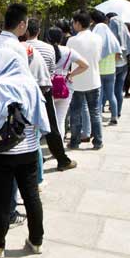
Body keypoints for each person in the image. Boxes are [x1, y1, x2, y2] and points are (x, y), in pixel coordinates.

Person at [0, 46, 49, 258]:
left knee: (2, 199)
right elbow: (41, 118)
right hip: (28, 150)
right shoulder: (30, 84)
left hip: (1, 152)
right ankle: (36, 241)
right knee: (31, 195)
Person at [26, 18, 76, 172]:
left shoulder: (18, 47)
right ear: (39, 31)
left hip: (25, 92)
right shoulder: (48, 49)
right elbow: (51, 72)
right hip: (45, 90)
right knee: (51, 127)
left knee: (28, 129)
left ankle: (35, 162)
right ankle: (62, 159)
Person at [67, 10, 104, 150]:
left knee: (76, 113)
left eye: (73, 22)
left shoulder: (72, 40)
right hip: (94, 79)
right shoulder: (98, 38)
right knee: (95, 112)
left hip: (77, 81)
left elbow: (70, 60)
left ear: (78, 23)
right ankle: (98, 141)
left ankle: (75, 141)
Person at [47, 27, 89, 142]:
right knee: (60, 120)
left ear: (47, 38)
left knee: (47, 119)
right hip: (64, 87)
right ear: (62, 38)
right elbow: (85, 65)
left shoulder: (45, 50)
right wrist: (71, 74)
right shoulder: (69, 51)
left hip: (47, 87)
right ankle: (58, 148)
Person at [91, 10, 123, 126]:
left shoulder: (96, 36)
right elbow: (118, 54)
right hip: (111, 71)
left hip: (98, 71)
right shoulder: (112, 38)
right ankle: (114, 117)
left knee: (99, 97)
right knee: (111, 95)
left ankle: (98, 118)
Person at [107, 13, 130, 119]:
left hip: (113, 65)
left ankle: (114, 113)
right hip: (124, 64)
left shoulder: (112, 27)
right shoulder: (124, 28)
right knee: (119, 90)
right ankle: (118, 112)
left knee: (110, 91)